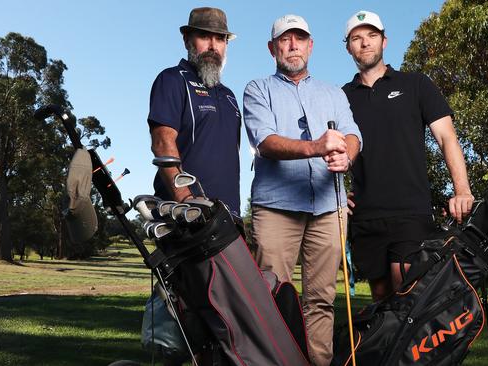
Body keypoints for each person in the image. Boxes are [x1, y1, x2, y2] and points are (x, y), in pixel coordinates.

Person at [243, 14, 362, 366]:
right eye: (285, 39)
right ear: (272, 48)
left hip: (329, 206)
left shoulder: (333, 93)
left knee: (321, 300)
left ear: (310, 46)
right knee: (271, 297)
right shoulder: (257, 89)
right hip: (277, 207)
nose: (292, 45)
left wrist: (347, 156)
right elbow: (265, 141)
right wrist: (317, 147)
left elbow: (353, 134)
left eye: (300, 39)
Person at [342, 10, 475, 301]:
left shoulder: (416, 84)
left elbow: (446, 137)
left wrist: (462, 190)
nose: (365, 43)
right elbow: (335, 149)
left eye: (372, 36)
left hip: (410, 210)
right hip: (366, 215)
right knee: (381, 300)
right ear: (348, 46)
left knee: (406, 289)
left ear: (384, 41)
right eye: (357, 38)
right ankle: (388, 349)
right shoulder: (341, 97)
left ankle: (418, 348)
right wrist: (340, 195)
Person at [148, 7, 240, 215]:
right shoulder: (172, 79)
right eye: (204, 36)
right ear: (187, 40)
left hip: (227, 216)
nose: (212, 46)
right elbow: (162, 143)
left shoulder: (229, 97)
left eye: (219, 39)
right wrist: (186, 200)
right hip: (184, 214)